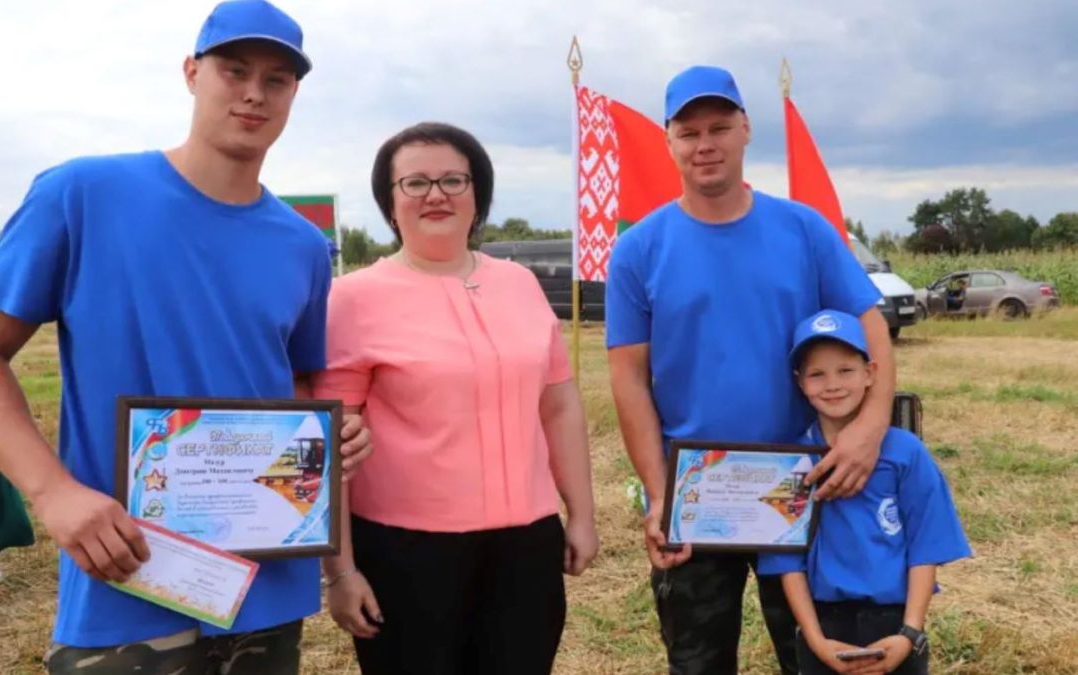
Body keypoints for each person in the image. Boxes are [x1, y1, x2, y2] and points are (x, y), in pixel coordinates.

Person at [0, 2, 371, 673]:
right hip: (127, 579)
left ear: (294, 94)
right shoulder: (81, 194)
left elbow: (293, 387)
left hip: (268, 588)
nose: (255, 92)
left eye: (277, 79)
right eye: (235, 70)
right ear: (191, 72)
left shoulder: (301, 245)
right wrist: (52, 491)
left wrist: (329, 438)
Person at [605, 65, 896, 675]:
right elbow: (629, 377)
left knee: (815, 656)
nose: (704, 144)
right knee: (698, 660)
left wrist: (869, 432)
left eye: (718, 127)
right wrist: (659, 493)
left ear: (745, 130)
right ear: (669, 141)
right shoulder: (638, 249)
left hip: (803, 481)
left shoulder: (804, 229)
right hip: (697, 491)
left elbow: (873, 334)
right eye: (688, 133)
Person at [312, 121, 599, 675]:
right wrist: (340, 571)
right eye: (415, 183)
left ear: (478, 195)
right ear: (390, 205)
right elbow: (331, 445)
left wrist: (581, 514)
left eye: (453, 180)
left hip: (526, 545)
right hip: (405, 551)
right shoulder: (351, 299)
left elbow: (558, 405)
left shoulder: (519, 284)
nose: (436, 194)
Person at [758, 310, 971, 674]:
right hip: (824, 624)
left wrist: (909, 633)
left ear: (871, 373)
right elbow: (786, 561)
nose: (832, 384)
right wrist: (815, 640)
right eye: (817, 374)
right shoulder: (791, 462)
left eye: (845, 370)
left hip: (895, 622)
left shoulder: (906, 453)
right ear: (800, 382)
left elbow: (926, 546)